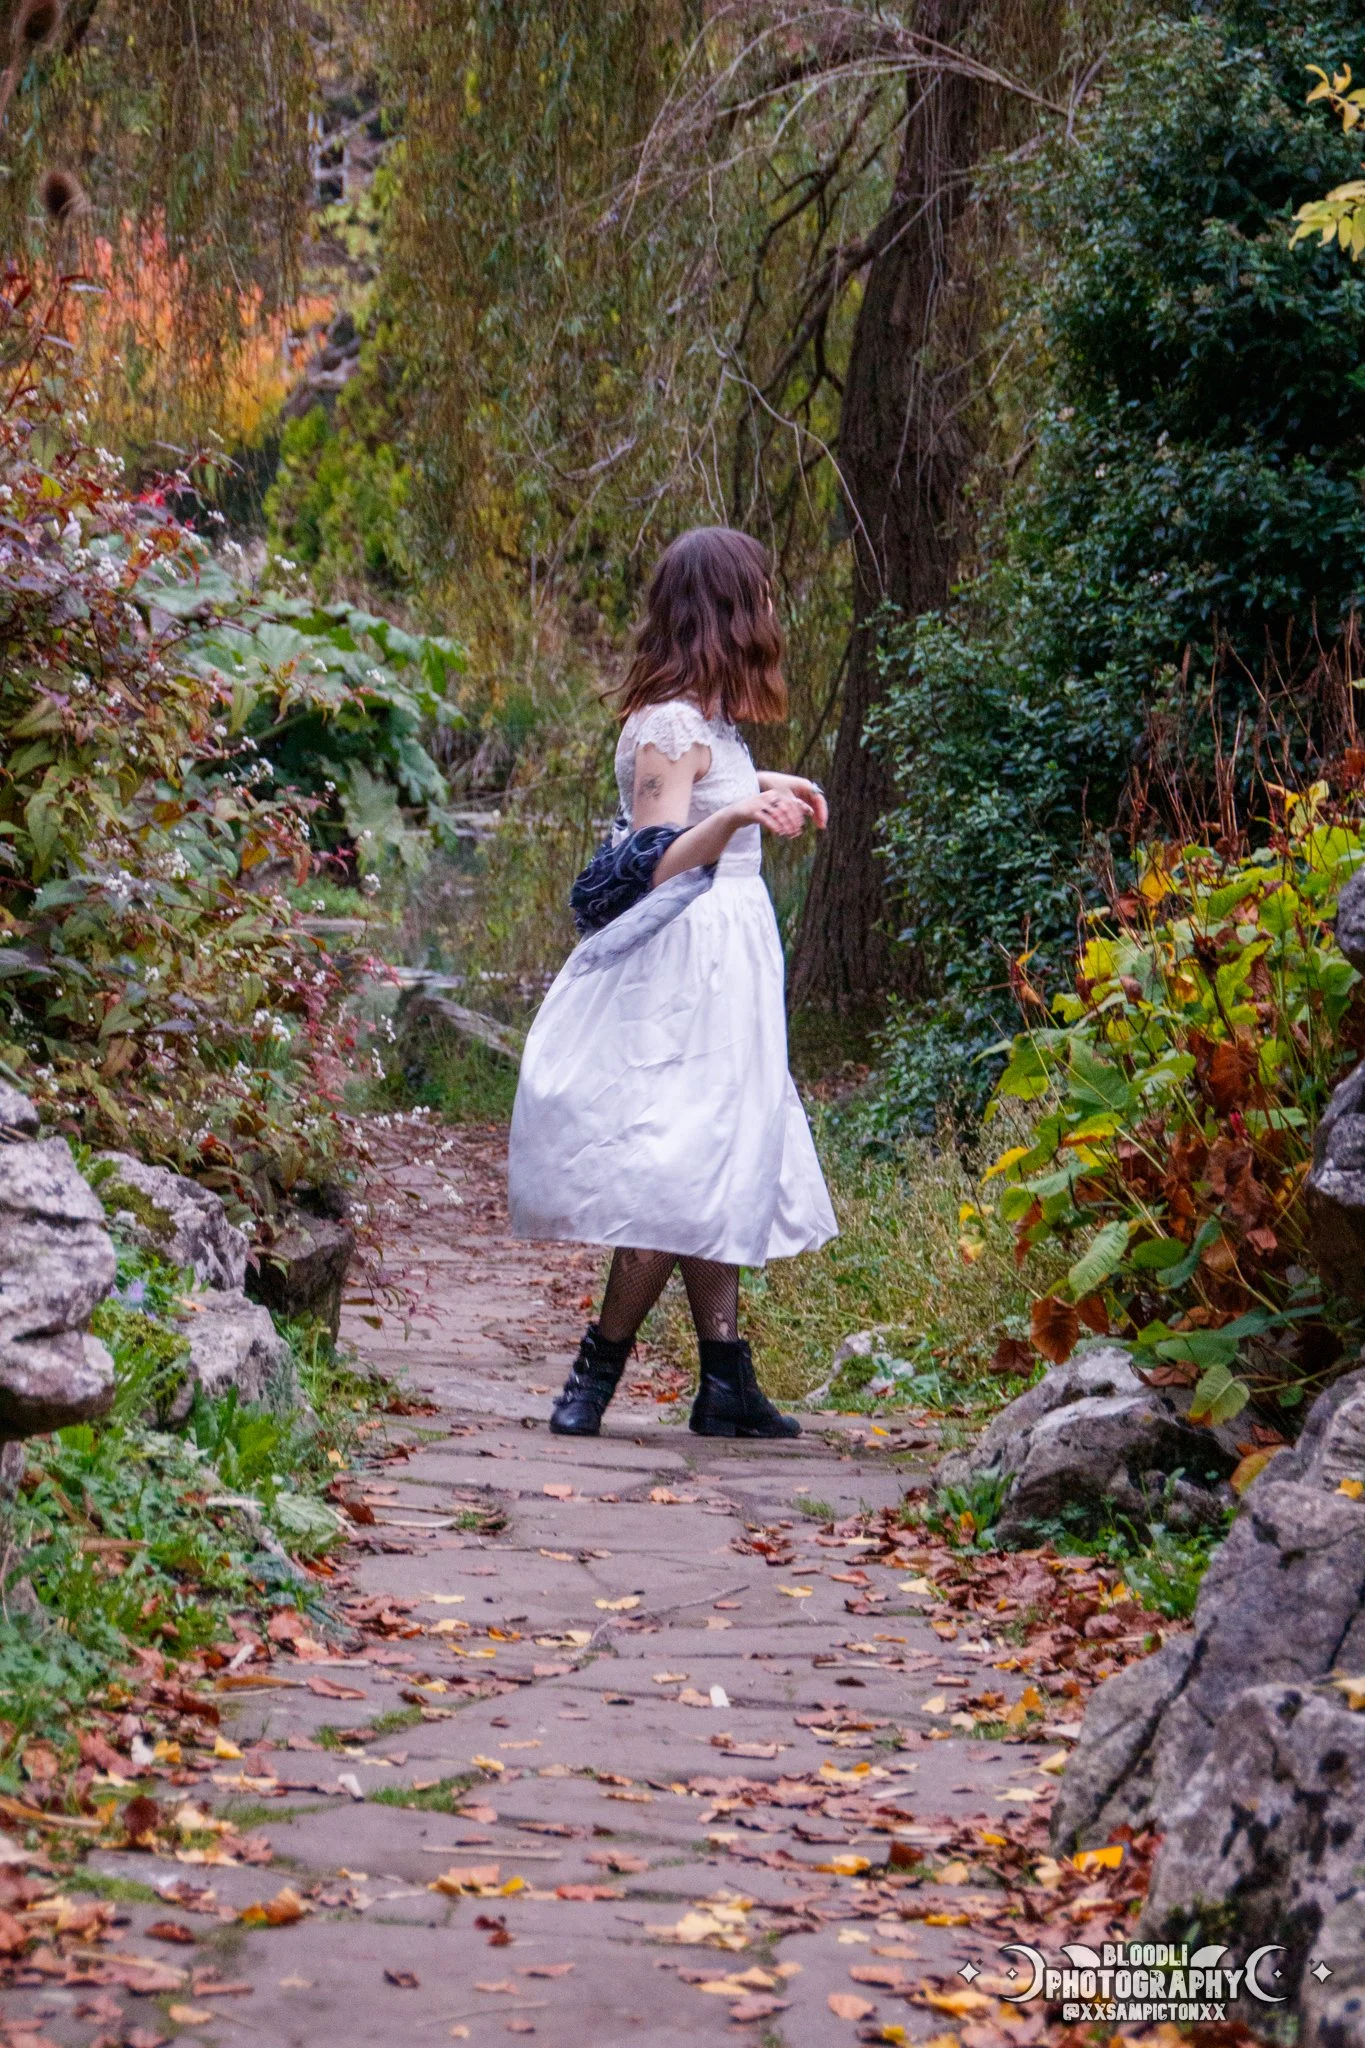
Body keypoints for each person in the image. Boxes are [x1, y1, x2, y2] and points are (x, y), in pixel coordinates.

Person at [507, 525, 837, 1438]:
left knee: (712, 1157)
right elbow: (654, 856)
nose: (771, 609)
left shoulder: (703, 723)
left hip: (728, 953)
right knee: (676, 1164)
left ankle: (725, 1381)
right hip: (688, 960)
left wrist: (766, 783)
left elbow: (699, 787)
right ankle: (594, 1374)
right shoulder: (669, 724)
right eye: (759, 595)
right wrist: (738, 810)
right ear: (725, 610)